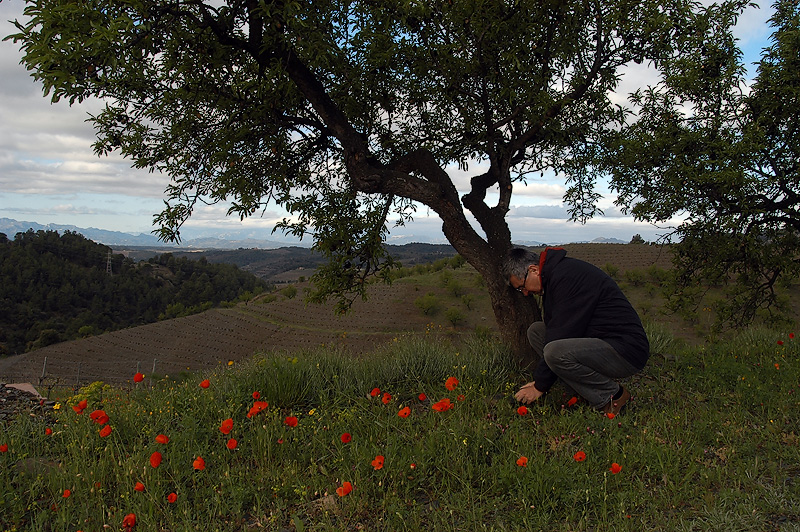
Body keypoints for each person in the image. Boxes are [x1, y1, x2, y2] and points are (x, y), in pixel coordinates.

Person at [504, 247, 649, 415]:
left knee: (554, 351)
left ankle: (613, 397)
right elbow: (554, 329)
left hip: (626, 350)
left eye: (522, 287)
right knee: (536, 332)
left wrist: (539, 386)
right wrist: (540, 381)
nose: (525, 293)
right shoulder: (554, 277)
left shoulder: (567, 277)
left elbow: (560, 335)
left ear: (533, 270)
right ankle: (581, 391)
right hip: (600, 340)